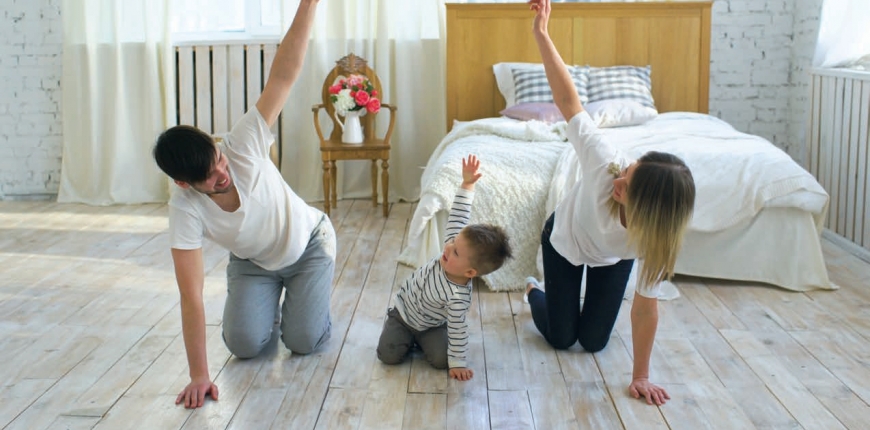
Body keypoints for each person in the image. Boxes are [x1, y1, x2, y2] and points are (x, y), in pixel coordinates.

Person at [152, 0, 329, 409]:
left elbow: (284, 74)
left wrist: (308, 3)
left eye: (219, 159)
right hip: (254, 263)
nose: (222, 173)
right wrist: (199, 375)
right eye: (210, 176)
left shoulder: (244, 141)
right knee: (244, 345)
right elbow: (191, 295)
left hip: (309, 245)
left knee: (303, 341)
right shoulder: (184, 207)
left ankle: (305, 299)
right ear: (183, 183)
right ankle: (272, 303)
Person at [524, 0, 696, 406]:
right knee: (562, 338)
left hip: (611, 259)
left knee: (593, 342)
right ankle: (533, 290)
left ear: (648, 214)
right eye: (627, 172)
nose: (617, 181)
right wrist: (542, 34)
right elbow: (568, 101)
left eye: (626, 187)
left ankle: (569, 304)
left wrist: (641, 377)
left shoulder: (656, 239)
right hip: (565, 240)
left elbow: (645, 308)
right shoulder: (606, 161)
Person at [376, 155, 512, 381]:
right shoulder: (452, 247)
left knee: (442, 361)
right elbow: (459, 214)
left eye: (456, 252)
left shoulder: (458, 299)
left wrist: (458, 363)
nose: (448, 247)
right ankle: (403, 335)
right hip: (403, 314)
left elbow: (458, 330)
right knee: (387, 355)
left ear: (470, 273)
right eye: (453, 242)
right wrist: (467, 184)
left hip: (431, 325)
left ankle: (423, 340)